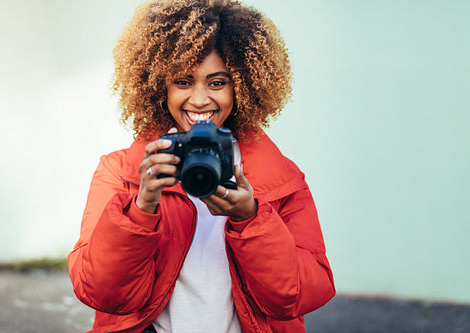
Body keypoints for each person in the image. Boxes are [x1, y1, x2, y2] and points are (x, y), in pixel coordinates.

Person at [68, 0, 335, 332]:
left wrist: (250, 218)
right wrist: (141, 208)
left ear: (242, 87)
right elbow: (101, 292)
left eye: (217, 83)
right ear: (158, 86)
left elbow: (296, 296)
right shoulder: (121, 172)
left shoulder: (282, 180)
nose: (198, 100)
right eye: (182, 81)